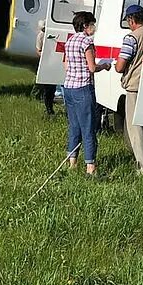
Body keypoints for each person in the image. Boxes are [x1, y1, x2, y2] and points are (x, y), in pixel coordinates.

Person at [63, 10, 110, 175]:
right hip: (83, 88)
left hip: (68, 87)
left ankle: (72, 162)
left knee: (74, 126)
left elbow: (66, 66)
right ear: (85, 26)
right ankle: (90, 166)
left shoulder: (69, 41)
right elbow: (92, 67)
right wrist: (104, 65)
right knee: (88, 128)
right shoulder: (86, 42)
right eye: (92, 24)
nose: (94, 28)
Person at [115, 4, 143, 172]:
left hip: (135, 87)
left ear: (131, 19)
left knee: (137, 130)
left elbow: (120, 66)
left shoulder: (131, 38)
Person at [34, 20, 56, 115]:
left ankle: (50, 105)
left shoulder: (53, 34)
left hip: (53, 62)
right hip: (46, 63)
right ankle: (48, 107)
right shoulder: (40, 36)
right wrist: (44, 57)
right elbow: (38, 50)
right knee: (47, 87)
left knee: (52, 87)